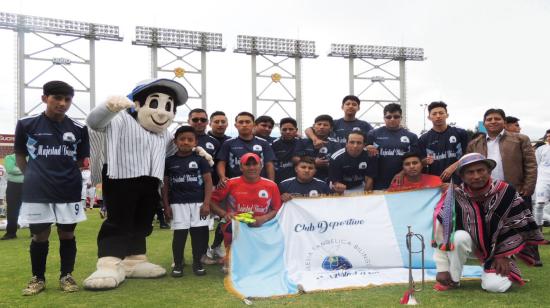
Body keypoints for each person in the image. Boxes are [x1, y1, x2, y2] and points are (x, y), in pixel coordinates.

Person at [15, 80, 89, 295]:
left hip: (68, 190)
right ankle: (38, 278)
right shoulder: (27, 124)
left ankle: (66, 275)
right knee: (40, 236)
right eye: (57, 98)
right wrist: (31, 176)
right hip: (37, 192)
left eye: (67, 99)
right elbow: (20, 154)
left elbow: (79, 160)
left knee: (67, 234)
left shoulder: (78, 128)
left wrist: (64, 175)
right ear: (45, 98)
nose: (62, 103)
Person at [432, 153, 545, 293]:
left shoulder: (506, 191)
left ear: (489, 171)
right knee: (458, 237)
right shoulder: (455, 196)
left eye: (481, 170)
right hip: (470, 245)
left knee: (495, 287)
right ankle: (453, 280)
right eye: (470, 172)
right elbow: (441, 233)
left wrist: (504, 255)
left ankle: (496, 266)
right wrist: (442, 268)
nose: (477, 176)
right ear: (462, 176)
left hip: (499, 250)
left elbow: (517, 225)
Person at [467, 108, 540, 265]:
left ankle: (532, 256)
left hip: (516, 189)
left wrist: (529, 186)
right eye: (489, 119)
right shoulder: (475, 144)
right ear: (484, 123)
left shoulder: (520, 139)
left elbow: (531, 165)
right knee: (492, 226)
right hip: (487, 192)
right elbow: (468, 167)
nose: (493, 121)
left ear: (504, 122)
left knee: (524, 223)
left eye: (497, 118)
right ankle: (497, 255)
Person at [210, 153, 282, 272]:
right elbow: (211, 201)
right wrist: (224, 214)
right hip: (237, 223)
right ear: (241, 167)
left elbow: (276, 209)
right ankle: (230, 258)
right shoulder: (230, 183)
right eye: (247, 165)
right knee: (230, 228)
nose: (251, 168)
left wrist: (263, 218)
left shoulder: (271, 185)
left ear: (261, 166)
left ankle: (262, 259)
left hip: (262, 223)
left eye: (255, 164)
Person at [162, 126, 213, 277]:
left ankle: (197, 263)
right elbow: (165, 185)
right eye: (182, 139)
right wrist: (166, 206)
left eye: (190, 140)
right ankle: (178, 264)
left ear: (195, 142)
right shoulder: (169, 161)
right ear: (175, 141)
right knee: (179, 235)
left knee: (198, 235)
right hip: (177, 204)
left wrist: (206, 203)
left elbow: (208, 183)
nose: (186, 142)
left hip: (198, 203)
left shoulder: (201, 160)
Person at [366, 103, 419, 190]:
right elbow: (365, 156)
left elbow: (416, 160)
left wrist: (402, 173)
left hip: (403, 181)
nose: (392, 119)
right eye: (388, 117)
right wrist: (366, 148)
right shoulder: (373, 134)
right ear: (384, 118)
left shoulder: (411, 136)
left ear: (401, 118)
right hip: (379, 184)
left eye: (396, 116)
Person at [418, 101, 469, 184]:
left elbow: (469, 155)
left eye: (441, 113)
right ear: (429, 117)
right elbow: (420, 162)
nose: (438, 116)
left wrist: (454, 166)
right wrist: (424, 161)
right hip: (435, 185)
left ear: (447, 115)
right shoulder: (423, 139)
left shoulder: (460, 133)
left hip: (459, 183)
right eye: (434, 114)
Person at [217, 111, 276, 182]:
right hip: (235, 184)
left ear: (254, 125)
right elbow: (221, 162)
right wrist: (222, 177)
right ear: (236, 125)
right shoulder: (228, 143)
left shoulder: (264, 143)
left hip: (259, 184)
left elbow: (269, 164)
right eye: (241, 122)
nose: (244, 125)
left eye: (247, 122)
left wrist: (271, 182)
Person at [305, 95, 373, 146]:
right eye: (347, 104)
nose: (350, 106)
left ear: (358, 108)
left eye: (354, 104)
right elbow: (308, 130)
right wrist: (315, 139)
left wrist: (369, 146)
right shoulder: (334, 123)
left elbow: (374, 137)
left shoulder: (365, 125)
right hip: (335, 158)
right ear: (342, 107)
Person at [298, 115, 342, 182]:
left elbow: (339, 162)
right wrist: (314, 161)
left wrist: (329, 164)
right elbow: (295, 158)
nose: (321, 127)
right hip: (305, 180)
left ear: (331, 128)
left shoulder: (335, 144)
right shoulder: (303, 141)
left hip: (328, 180)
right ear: (313, 126)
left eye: (325, 125)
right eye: (319, 124)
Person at [272, 117, 303, 183]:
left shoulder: (302, 142)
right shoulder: (274, 144)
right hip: (279, 180)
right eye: (284, 129)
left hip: (298, 181)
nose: (288, 132)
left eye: (291, 129)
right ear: (280, 130)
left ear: (296, 130)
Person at [1, 153, 24, 240]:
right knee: (12, 210)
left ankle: (35, 232)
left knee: (32, 208)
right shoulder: (9, 157)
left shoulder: (32, 156)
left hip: (29, 185)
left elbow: (36, 169)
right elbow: (10, 169)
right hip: (13, 186)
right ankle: (11, 233)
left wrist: (19, 168)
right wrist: (27, 169)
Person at [534, 129, 550, 226]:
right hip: (543, 180)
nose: (549, 137)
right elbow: (536, 164)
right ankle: (538, 231)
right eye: (548, 136)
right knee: (539, 204)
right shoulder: (541, 149)